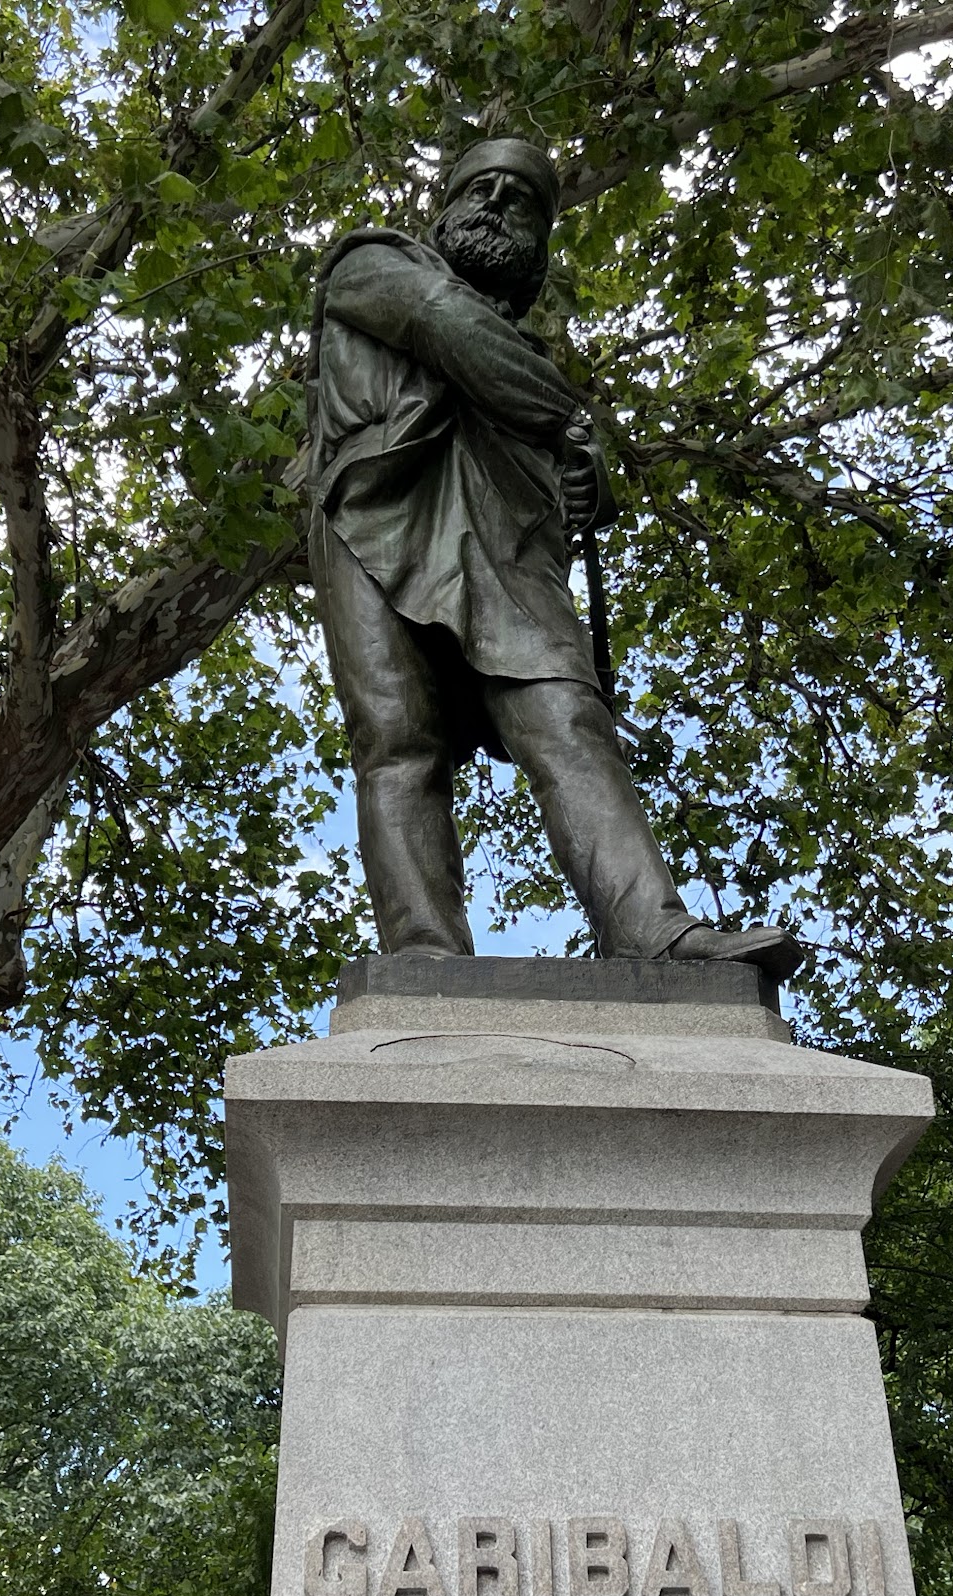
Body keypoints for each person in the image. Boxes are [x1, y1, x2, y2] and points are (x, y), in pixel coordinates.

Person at [305, 135, 801, 975]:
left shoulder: (534, 367)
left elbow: (570, 468)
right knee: (398, 740)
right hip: (374, 522)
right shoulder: (372, 263)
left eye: (520, 198)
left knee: (568, 720)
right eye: (480, 188)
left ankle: (652, 930)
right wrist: (576, 427)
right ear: (446, 205)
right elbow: (452, 332)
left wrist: (592, 478)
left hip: (506, 552)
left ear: (539, 242)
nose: (496, 202)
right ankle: (424, 955)